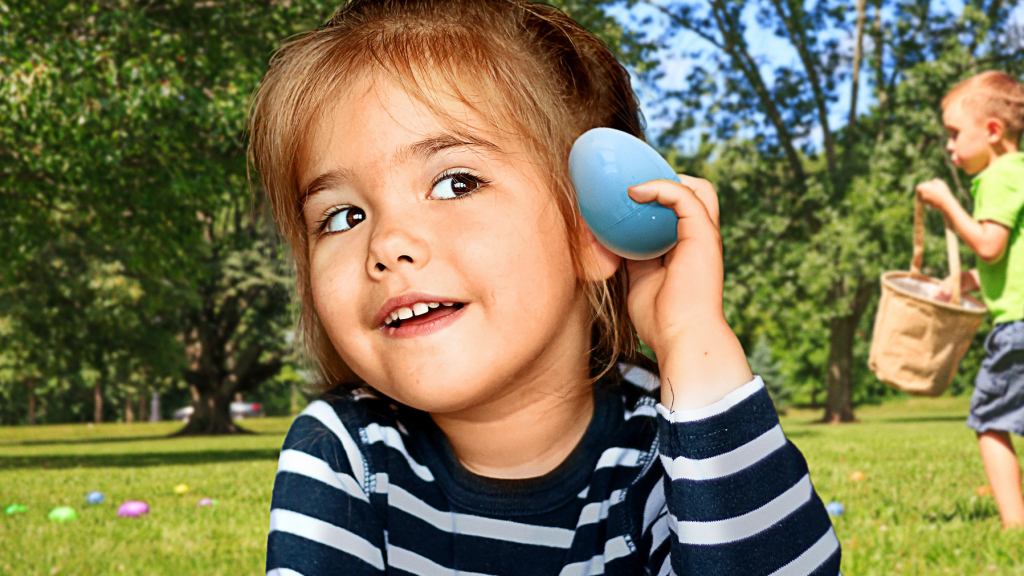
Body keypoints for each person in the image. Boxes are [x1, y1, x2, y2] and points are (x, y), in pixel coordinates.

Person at [249, 1, 840, 573]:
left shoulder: (667, 454)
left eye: (456, 183)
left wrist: (693, 341)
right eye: (343, 216)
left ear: (592, 229)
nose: (386, 245)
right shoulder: (346, 454)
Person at [916, 71, 1024, 529]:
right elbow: (1007, 258)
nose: (950, 146)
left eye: (956, 134)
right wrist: (969, 282)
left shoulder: (999, 177)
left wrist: (945, 202)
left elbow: (988, 245)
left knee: (989, 420)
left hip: (1017, 327)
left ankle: (1014, 524)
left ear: (994, 132)